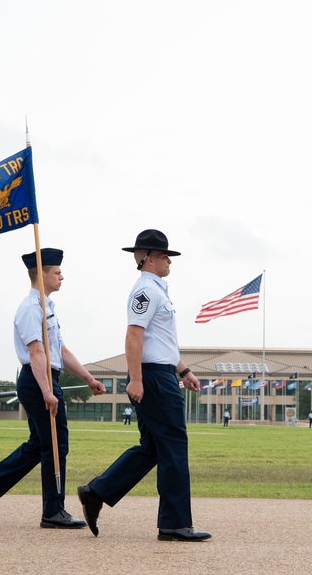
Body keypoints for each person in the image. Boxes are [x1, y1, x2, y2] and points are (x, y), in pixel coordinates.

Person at [77, 229, 211, 542]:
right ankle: (174, 524)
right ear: (149, 258)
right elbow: (134, 335)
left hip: (161, 372)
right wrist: (136, 378)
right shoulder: (146, 292)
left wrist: (183, 370)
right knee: (174, 446)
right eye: (165, 256)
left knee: (152, 448)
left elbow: (160, 341)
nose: (169, 261)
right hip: (152, 377)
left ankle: (97, 491)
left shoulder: (158, 291)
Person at [0, 248, 106, 528]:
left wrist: (89, 378)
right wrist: (47, 391)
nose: (62, 276)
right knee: (56, 446)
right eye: (57, 272)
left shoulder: (47, 306)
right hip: (37, 379)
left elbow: (60, 351)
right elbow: (36, 353)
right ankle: (53, 512)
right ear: (42, 274)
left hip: (45, 377)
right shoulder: (31, 308)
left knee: (39, 446)